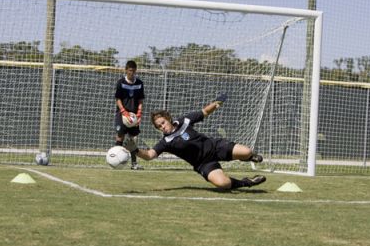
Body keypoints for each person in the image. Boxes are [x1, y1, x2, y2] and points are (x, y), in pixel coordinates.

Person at [124, 94, 266, 190]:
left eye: (163, 123)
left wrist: (217, 103)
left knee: (247, 151)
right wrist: (135, 150)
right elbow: (149, 155)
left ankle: (250, 157)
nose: (162, 127)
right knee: (224, 184)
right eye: (159, 126)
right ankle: (247, 182)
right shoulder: (166, 142)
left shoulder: (184, 120)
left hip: (215, 147)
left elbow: (204, 112)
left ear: (168, 118)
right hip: (203, 164)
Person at [114, 60, 145, 170]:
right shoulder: (121, 82)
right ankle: (115, 162)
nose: (131, 73)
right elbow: (118, 99)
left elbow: (141, 99)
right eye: (129, 71)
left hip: (134, 116)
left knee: (133, 139)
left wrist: (139, 113)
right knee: (120, 136)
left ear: (135, 71)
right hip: (122, 114)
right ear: (126, 70)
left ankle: (134, 164)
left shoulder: (139, 83)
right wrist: (123, 111)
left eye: (133, 71)